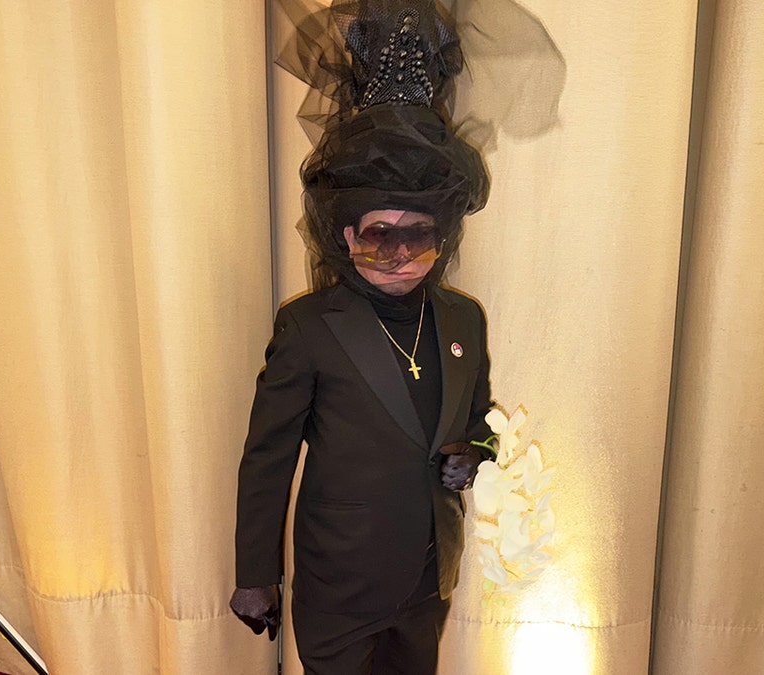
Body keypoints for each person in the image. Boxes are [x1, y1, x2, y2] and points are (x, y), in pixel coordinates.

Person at [230, 1, 494, 672]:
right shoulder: (310, 328)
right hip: (339, 591)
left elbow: (483, 420)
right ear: (347, 237)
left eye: (419, 234)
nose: (402, 252)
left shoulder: (463, 321)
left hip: (427, 584)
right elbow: (268, 459)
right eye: (381, 233)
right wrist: (255, 572)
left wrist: (477, 450)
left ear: (442, 237)